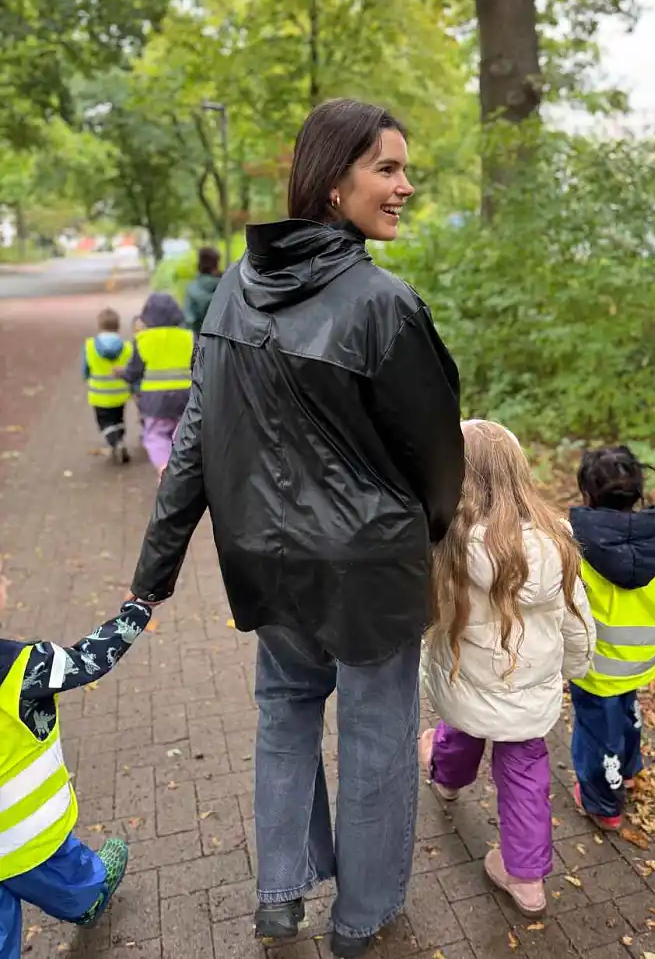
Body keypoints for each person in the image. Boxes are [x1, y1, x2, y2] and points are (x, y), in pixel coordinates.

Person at [129, 98, 465, 958]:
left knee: (283, 716)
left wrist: (154, 572)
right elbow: (436, 455)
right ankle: (360, 920)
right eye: (387, 168)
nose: (406, 185)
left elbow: (197, 443)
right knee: (376, 737)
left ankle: (280, 896)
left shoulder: (237, 289)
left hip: (266, 563)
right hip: (366, 571)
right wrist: (427, 531)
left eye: (402, 168)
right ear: (331, 184)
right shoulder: (384, 304)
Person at [420, 420, 596, 916]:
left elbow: (427, 618)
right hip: (529, 691)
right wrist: (579, 666)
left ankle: (447, 779)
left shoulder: (447, 541)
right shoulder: (557, 540)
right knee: (524, 772)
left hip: (465, 682)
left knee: (462, 728)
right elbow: (576, 617)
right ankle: (526, 879)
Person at [0, 565, 153, 958]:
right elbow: (90, 659)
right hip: (28, 843)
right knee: (77, 887)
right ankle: (92, 894)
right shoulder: (22, 668)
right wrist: (136, 611)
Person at [568, 445, 655, 830]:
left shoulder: (574, 547)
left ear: (587, 496)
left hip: (594, 666)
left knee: (596, 732)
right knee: (627, 713)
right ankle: (626, 770)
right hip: (640, 661)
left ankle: (603, 803)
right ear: (638, 495)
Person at [120, 293, 193, 479]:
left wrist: (123, 375)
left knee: (155, 435)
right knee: (183, 434)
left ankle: (164, 468)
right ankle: (183, 471)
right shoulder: (189, 337)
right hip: (186, 397)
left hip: (155, 401)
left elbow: (134, 372)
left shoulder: (143, 339)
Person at [82, 307, 132, 465]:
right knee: (118, 418)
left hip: (99, 393)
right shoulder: (127, 347)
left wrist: (85, 377)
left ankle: (116, 443)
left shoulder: (90, 345)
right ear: (117, 326)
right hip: (120, 392)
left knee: (104, 422)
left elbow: (86, 368)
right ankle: (120, 440)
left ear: (99, 326)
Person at [183, 246, 222, 334]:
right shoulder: (227, 286)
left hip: (199, 339)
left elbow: (189, 321)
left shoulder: (192, 289)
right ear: (216, 266)